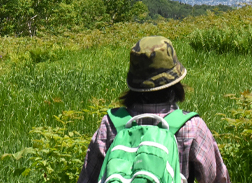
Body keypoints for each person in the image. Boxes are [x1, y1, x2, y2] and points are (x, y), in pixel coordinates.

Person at [77, 36, 231, 183]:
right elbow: (218, 179)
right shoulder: (191, 126)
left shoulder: (110, 124)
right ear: (176, 81)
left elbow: (87, 179)